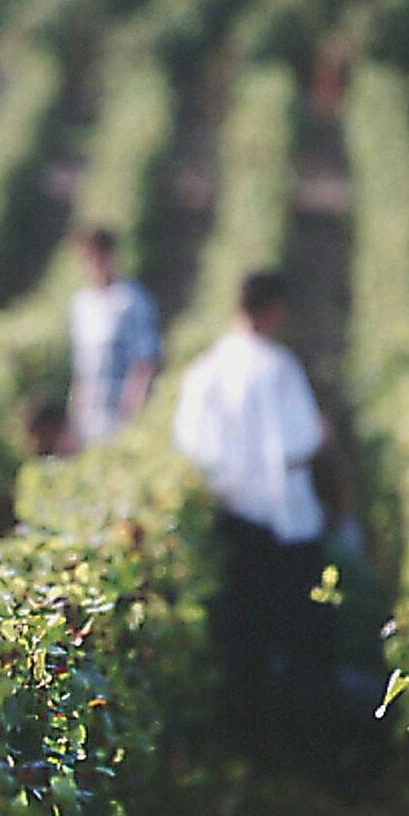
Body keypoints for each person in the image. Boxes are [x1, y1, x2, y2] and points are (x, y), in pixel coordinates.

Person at [172, 269, 335, 754]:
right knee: (301, 637)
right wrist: (323, 439)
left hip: (232, 518)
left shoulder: (205, 369)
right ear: (274, 309)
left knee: (243, 638)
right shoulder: (277, 366)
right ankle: (302, 748)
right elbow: (300, 441)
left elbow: (191, 445)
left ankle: (246, 749)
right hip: (283, 523)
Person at [67, 227, 160, 448]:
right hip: (89, 416)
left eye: (99, 256)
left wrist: (132, 415)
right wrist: (73, 419)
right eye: (88, 258)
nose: (94, 264)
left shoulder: (131, 300)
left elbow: (144, 363)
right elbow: (81, 371)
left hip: (120, 413)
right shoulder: (81, 305)